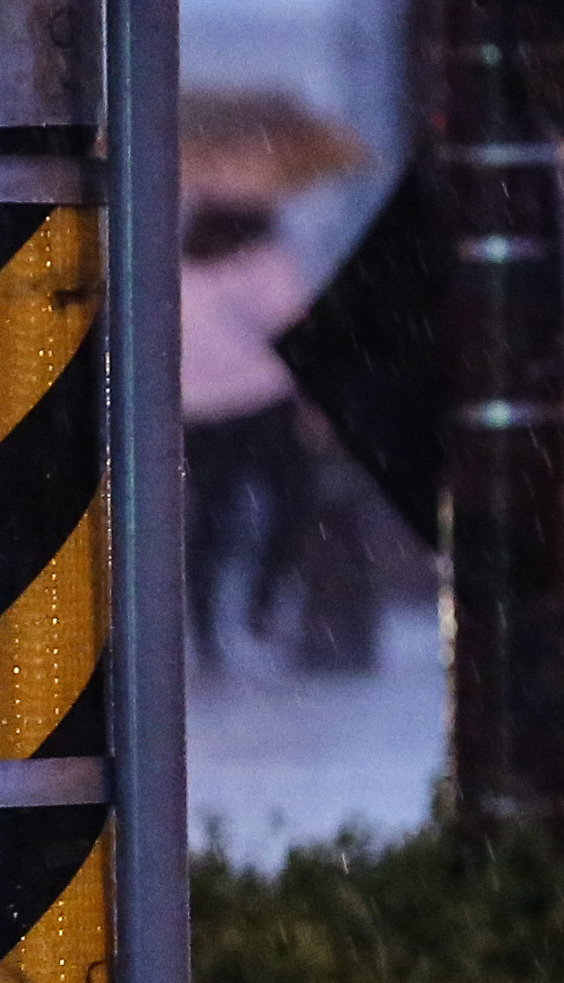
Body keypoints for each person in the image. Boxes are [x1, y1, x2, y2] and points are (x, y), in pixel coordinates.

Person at [182, 200, 314, 671]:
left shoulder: (176, 266)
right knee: (293, 501)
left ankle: (203, 631)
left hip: (199, 409)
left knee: (211, 520)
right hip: (262, 401)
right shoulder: (268, 262)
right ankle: (261, 602)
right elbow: (293, 329)